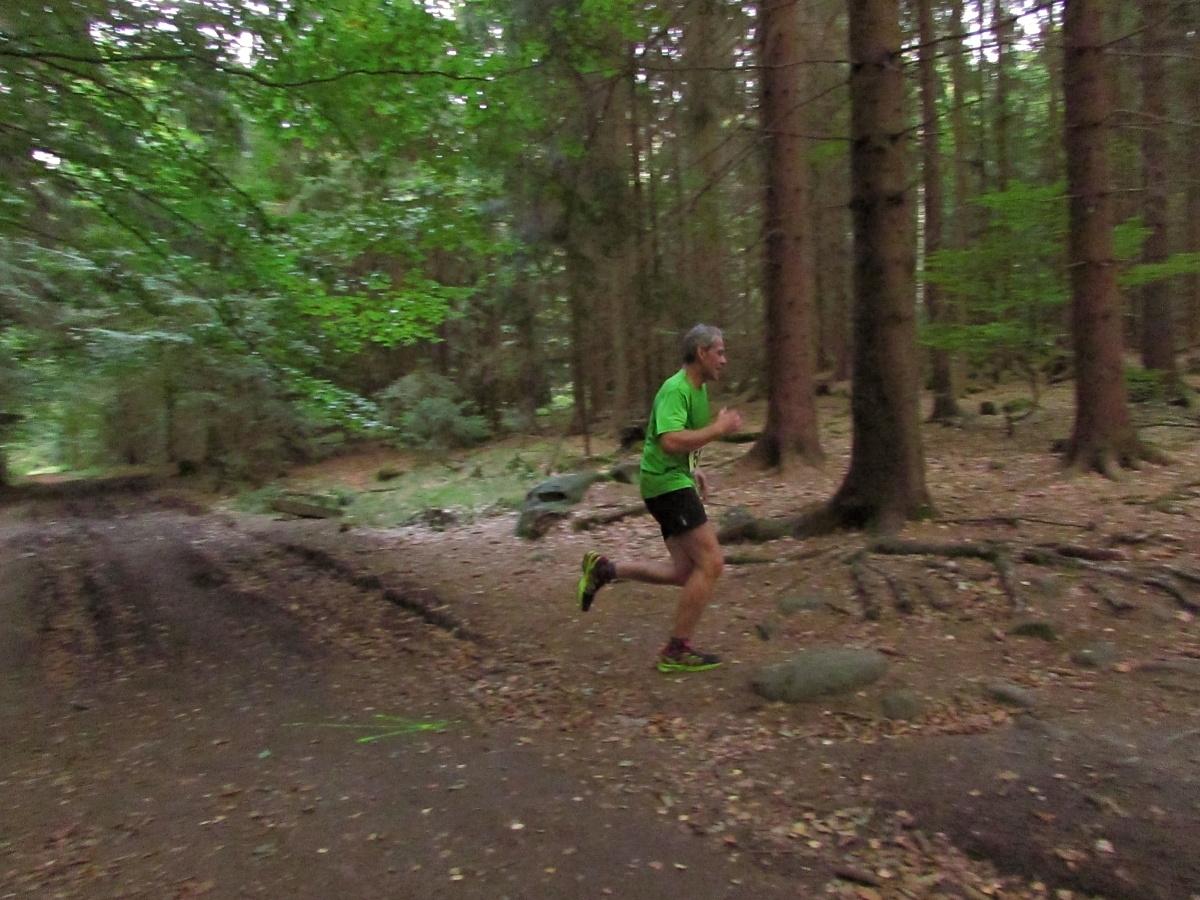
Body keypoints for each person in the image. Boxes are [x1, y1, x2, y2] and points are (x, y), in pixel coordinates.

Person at [575, 324, 743, 673]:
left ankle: (605, 570)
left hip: (672, 481)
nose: (724, 360)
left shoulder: (697, 390)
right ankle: (676, 651)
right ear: (701, 353)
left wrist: (694, 468)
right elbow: (668, 440)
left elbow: (683, 438)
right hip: (665, 485)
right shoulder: (675, 389)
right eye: (720, 352)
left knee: (685, 571)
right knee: (712, 563)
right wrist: (718, 429)